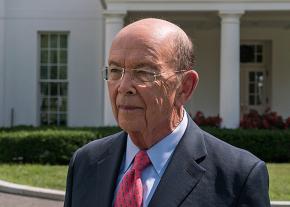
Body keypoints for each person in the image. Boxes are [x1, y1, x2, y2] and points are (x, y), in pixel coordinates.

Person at [64, 18, 270, 207]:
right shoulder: (85, 162)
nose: (124, 86)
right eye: (116, 70)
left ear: (185, 87)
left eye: (144, 72)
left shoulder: (238, 177)